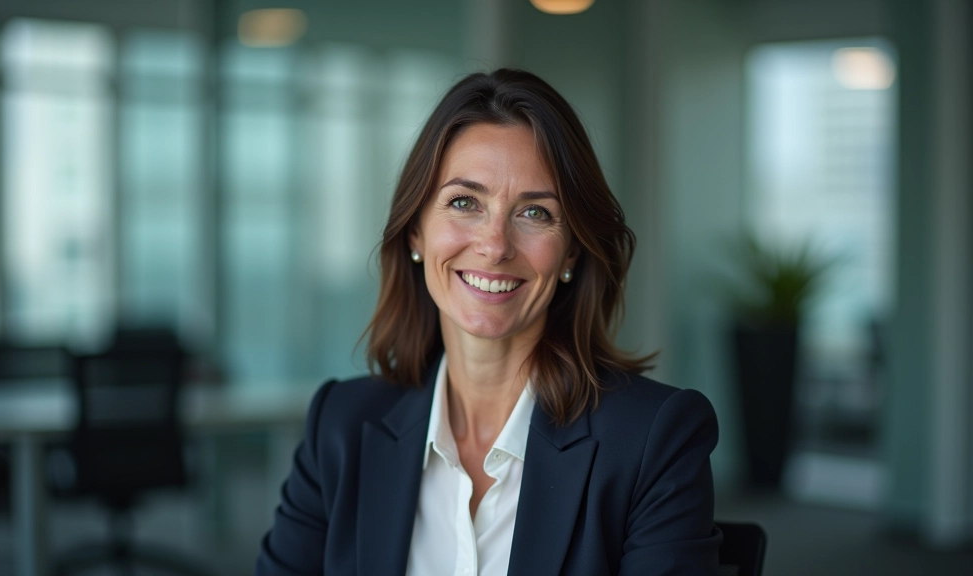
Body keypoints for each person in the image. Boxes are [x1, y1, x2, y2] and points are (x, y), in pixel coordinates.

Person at [256, 69, 721, 576]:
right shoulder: (341, 425)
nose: (495, 245)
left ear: (571, 252)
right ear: (415, 233)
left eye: (536, 213)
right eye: (464, 203)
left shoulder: (654, 439)